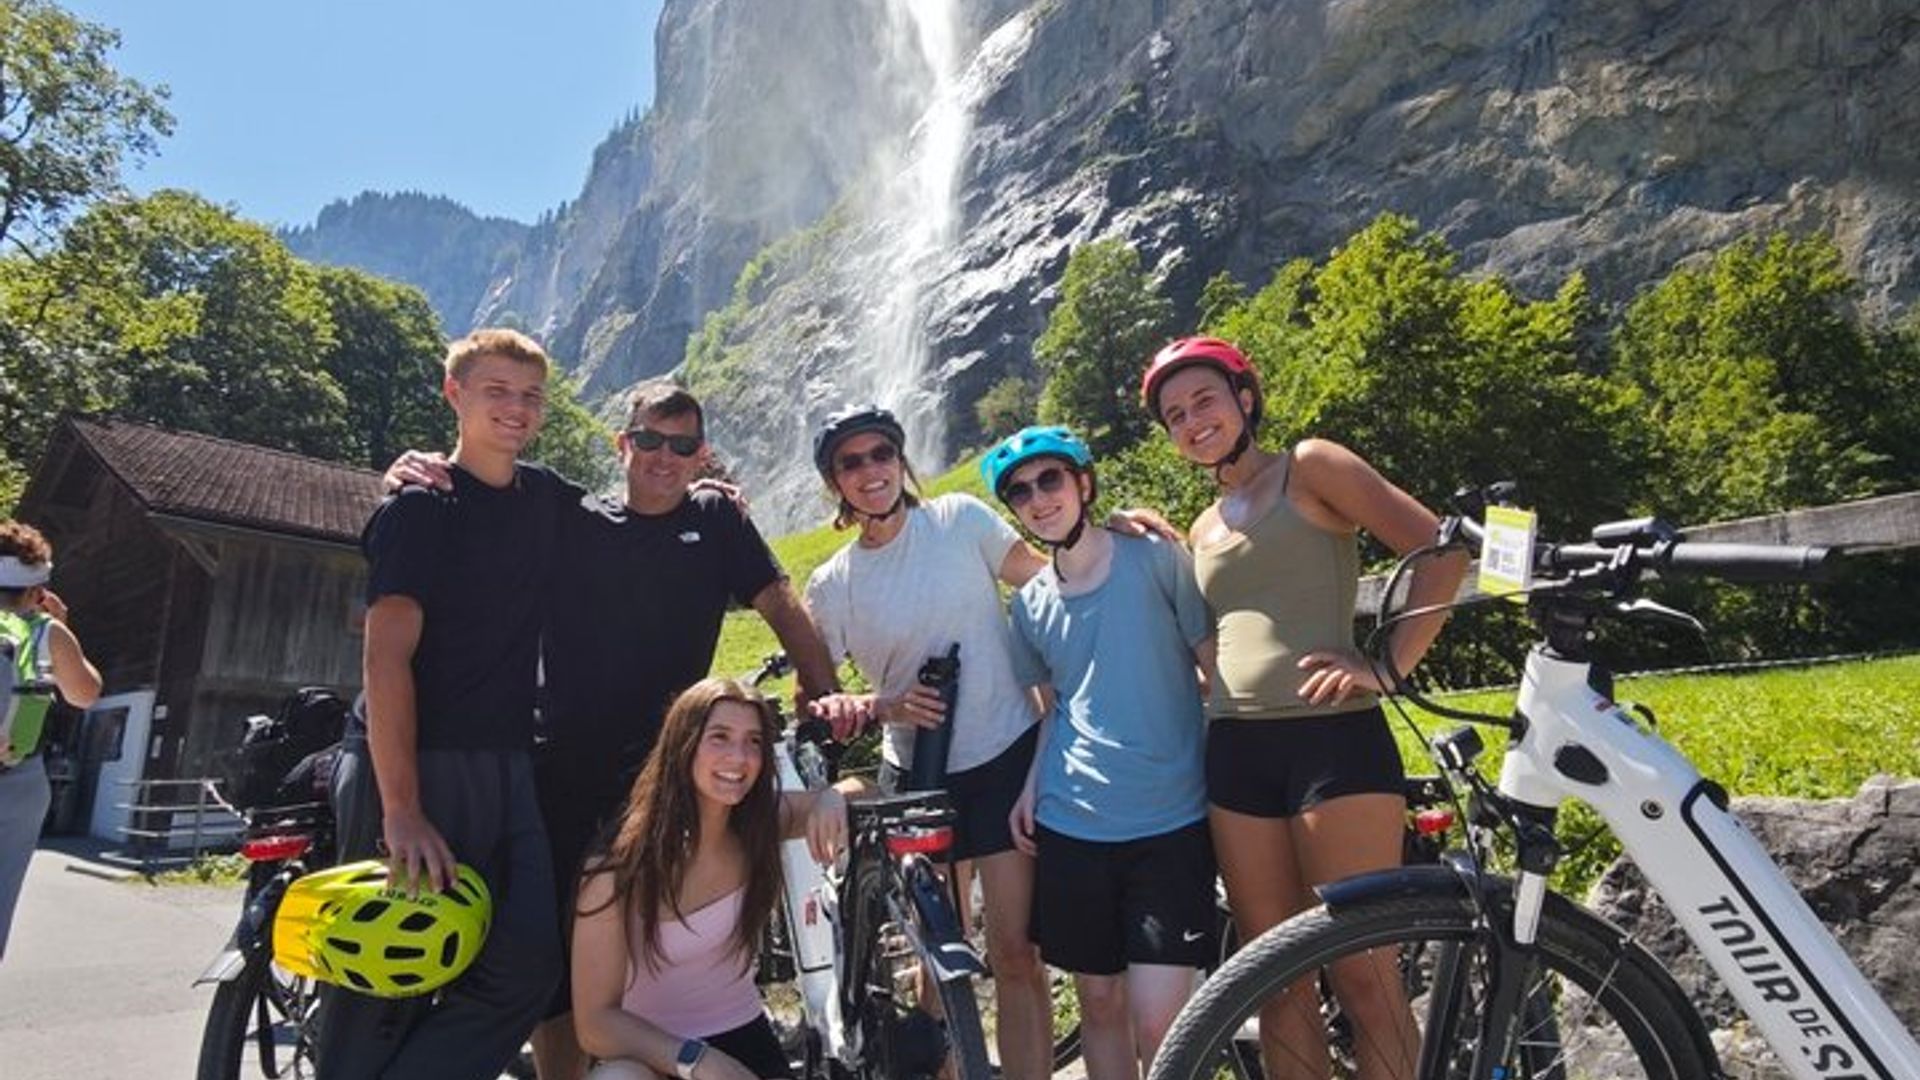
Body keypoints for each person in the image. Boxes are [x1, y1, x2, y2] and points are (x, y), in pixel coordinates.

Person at [385, 381, 839, 1080]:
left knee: (677, 933)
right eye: (650, 440)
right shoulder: (568, 513)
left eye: (682, 444)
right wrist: (412, 469)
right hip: (561, 770)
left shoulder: (716, 518)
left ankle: (689, 1047)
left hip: (671, 773)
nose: (664, 456)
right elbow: (480, 469)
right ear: (621, 443)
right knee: (560, 960)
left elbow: (778, 599)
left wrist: (823, 688)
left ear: (702, 456)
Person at [1139, 337, 1467, 1080]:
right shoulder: (1204, 525)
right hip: (1235, 752)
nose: (1193, 422)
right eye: (1175, 415)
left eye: (1205, 401)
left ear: (1245, 398)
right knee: (1274, 977)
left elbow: (1441, 550)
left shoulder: (1311, 465)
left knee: (1363, 973)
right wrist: (1155, 538)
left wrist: (1386, 667)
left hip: (1335, 745)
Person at [318, 327, 566, 1080]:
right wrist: (400, 808)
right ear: (454, 394)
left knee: (527, 967)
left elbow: (640, 511)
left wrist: (709, 491)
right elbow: (384, 658)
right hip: (413, 762)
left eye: (529, 396)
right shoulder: (421, 508)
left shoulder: (548, 500)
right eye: (496, 391)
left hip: (508, 765)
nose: (516, 410)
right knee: (380, 978)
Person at [800, 405, 1055, 1080]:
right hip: (915, 773)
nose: (870, 471)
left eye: (881, 454)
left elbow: (1048, 578)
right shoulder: (831, 586)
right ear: (836, 482)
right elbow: (822, 706)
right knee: (935, 960)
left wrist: (1113, 540)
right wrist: (877, 704)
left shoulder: (961, 521)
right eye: (850, 463)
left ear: (901, 459)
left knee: (1016, 953)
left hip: (1005, 755)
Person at [983, 426, 1217, 1080]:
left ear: (1083, 483)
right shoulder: (1028, 607)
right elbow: (1055, 706)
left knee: (1159, 1019)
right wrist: (1031, 786)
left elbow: (1214, 664)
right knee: (1100, 1002)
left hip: (1171, 820)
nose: (1038, 498)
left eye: (1050, 479)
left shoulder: (1156, 559)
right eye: (1020, 492)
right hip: (1072, 822)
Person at [572, 677, 856, 1080]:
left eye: (754, 741)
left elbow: (870, 791)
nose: (739, 757)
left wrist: (831, 797)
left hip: (744, 1044)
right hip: (652, 1056)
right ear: (682, 745)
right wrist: (696, 1060)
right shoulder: (617, 869)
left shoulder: (757, 826)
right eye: (719, 737)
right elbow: (595, 1024)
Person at [0, 521, 101, 963]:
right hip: (16, 782)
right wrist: (61, 627)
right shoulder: (46, 632)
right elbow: (84, 693)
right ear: (37, 590)